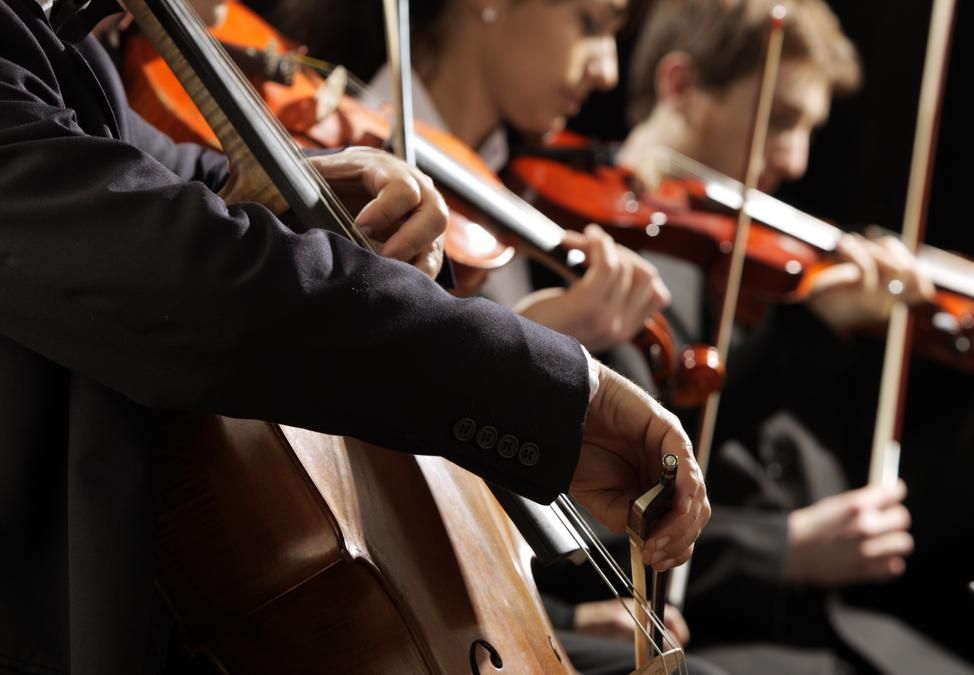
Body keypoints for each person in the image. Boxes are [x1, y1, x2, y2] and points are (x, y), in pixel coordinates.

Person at [0, 1, 710, 673]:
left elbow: (164, 178)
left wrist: (304, 189)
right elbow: (188, 280)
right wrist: (544, 391)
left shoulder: (62, 41)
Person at [614, 0, 974, 672]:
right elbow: (621, 492)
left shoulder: (765, 280)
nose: (794, 159)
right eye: (781, 119)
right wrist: (782, 549)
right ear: (681, 85)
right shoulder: (611, 265)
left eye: (810, 128)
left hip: (847, 638)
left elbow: (900, 513)